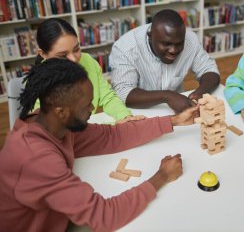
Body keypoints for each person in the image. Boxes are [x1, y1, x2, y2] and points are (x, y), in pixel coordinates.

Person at [0, 58, 199, 231]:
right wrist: (162, 176)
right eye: (86, 105)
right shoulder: (36, 159)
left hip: (58, 216)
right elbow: (104, 216)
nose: (93, 108)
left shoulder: (52, 124)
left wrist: (173, 121)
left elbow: (111, 136)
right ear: (61, 112)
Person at [109, 9, 220, 113]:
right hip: (138, 112)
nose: (173, 50)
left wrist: (200, 92)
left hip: (178, 109)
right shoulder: (125, 48)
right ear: (150, 37)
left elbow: (210, 70)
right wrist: (167, 96)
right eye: (166, 44)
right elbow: (123, 93)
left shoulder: (190, 40)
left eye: (179, 44)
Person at [33, 18, 137, 122]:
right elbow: (42, 123)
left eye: (76, 49)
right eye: (63, 55)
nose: (73, 59)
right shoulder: (38, 80)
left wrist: (125, 116)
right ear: (43, 54)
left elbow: (108, 97)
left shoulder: (88, 61)